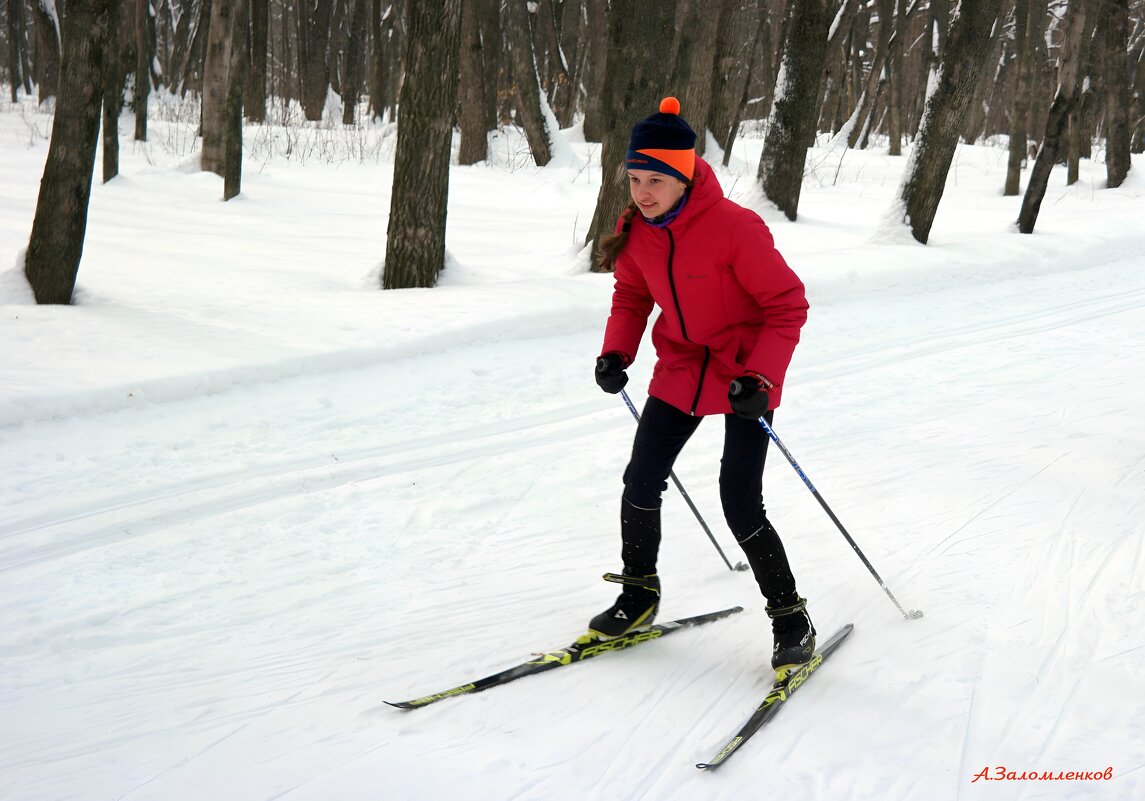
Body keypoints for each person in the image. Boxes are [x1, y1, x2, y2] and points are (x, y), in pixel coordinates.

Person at [590, 96, 815, 675]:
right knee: (641, 479)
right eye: (635, 178)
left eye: (656, 180)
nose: (643, 192)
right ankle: (639, 593)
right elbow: (632, 295)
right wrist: (617, 351)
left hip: (745, 373)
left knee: (739, 501)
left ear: (684, 176)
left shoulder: (735, 227)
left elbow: (787, 305)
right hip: (682, 366)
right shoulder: (638, 231)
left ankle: (790, 618)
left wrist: (762, 376)